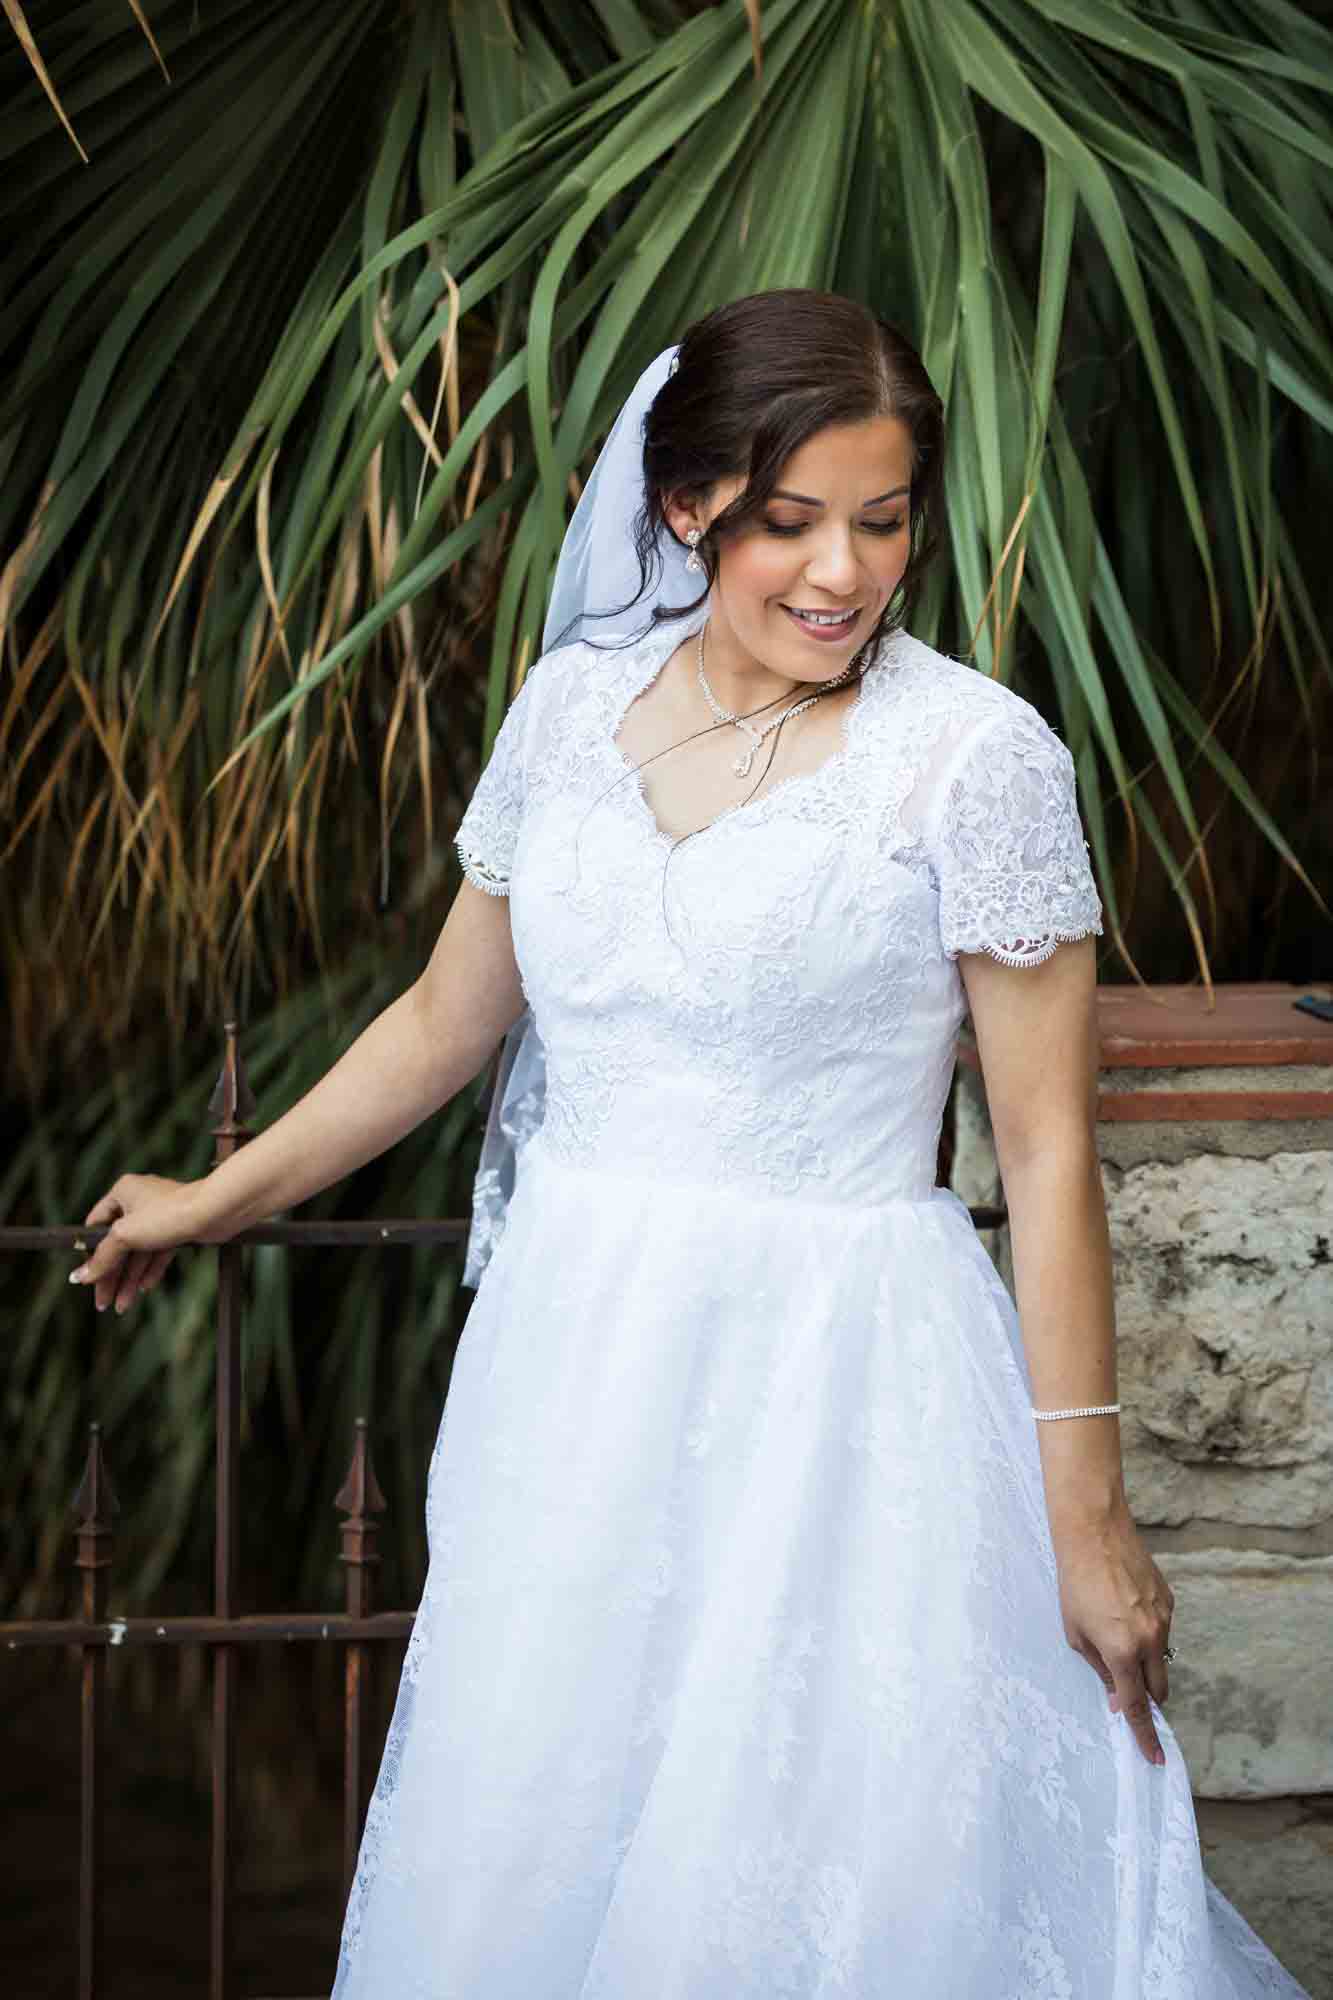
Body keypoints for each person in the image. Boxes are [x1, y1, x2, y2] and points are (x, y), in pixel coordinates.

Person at [71, 291, 1311, 1997]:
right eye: (788, 522)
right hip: (574, 1375)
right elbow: (445, 1023)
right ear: (682, 510)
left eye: (882, 522)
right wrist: (219, 1193)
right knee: (553, 1826)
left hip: (840, 1398)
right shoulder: (569, 712)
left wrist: (1085, 1517)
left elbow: (1040, 1156)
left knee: (814, 1860)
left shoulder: (970, 759)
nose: (841, 572)